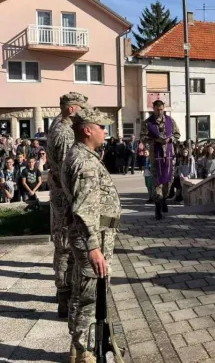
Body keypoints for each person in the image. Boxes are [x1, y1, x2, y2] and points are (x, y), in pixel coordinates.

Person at [61, 107, 120, 363]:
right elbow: (84, 209)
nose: (105, 131)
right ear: (87, 130)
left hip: (90, 235)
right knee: (90, 296)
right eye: (101, 127)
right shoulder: (84, 161)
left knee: (82, 292)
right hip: (93, 237)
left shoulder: (83, 155)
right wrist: (94, 247)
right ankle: (84, 351)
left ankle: (78, 346)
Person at [46, 91, 89, 320]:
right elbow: (66, 173)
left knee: (63, 247)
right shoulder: (64, 133)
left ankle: (63, 294)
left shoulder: (58, 123)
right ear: (72, 108)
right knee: (65, 248)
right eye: (82, 107)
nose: (84, 112)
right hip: (65, 199)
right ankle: (64, 298)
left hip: (60, 196)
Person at [140, 100, 181, 220]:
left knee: (168, 182)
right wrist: (155, 140)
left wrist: (170, 139)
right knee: (157, 182)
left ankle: (164, 200)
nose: (160, 111)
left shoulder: (170, 120)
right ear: (153, 109)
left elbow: (177, 134)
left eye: (162, 109)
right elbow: (142, 138)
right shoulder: (147, 123)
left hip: (168, 157)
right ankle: (157, 209)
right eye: (157, 109)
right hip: (155, 157)